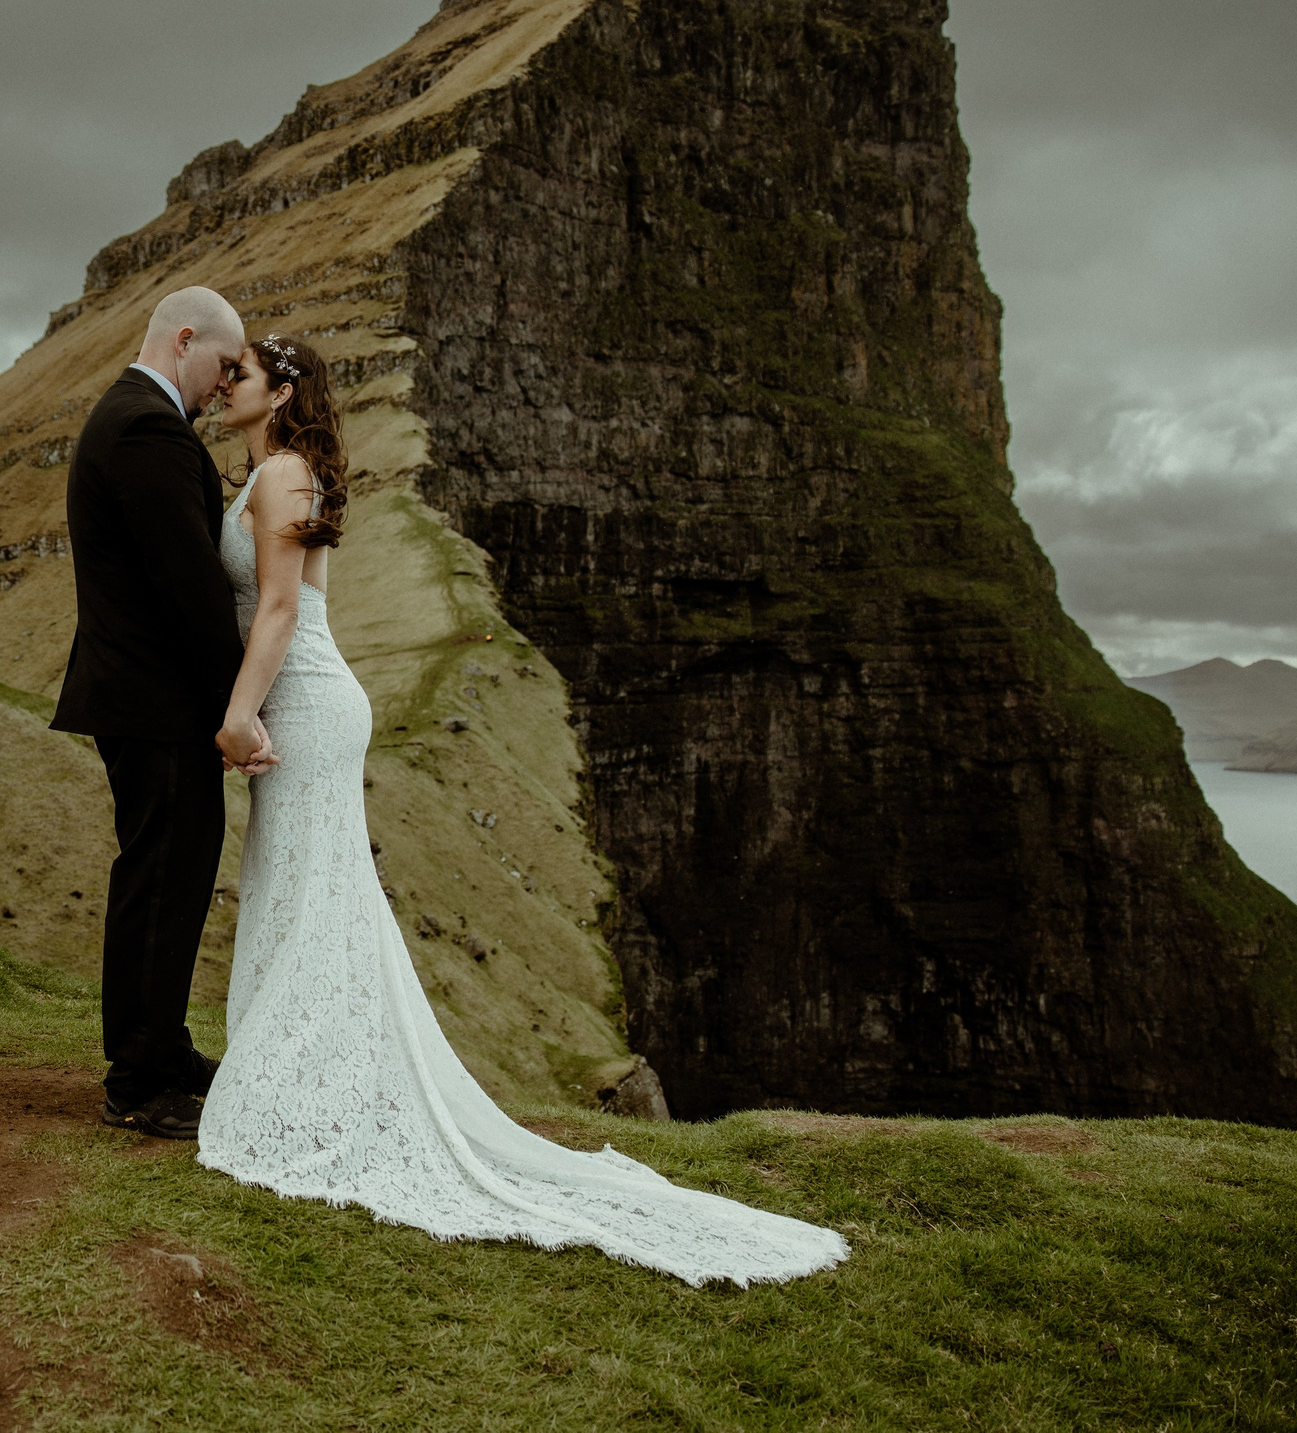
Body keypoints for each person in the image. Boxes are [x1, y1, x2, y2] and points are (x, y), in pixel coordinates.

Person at [195, 331, 849, 1286]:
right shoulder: (276, 476)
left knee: (314, 892)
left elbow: (287, 612)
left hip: (304, 701)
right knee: (301, 889)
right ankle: (309, 1082)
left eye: (240, 376)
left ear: (279, 391)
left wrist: (239, 715)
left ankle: (313, 1095)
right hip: (300, 696)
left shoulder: (286, 474)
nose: (224, 386)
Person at [53, 285, 271, 1141]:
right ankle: (140, 1080)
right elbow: (189, 587)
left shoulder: (133, 414)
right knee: (161, 878)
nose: (224, 385)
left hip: (144, 694)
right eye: (221, 365)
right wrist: (235, 711)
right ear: (184, 339)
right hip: (155, 698)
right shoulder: (145, 425)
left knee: (169, 874)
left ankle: (164, 1051)